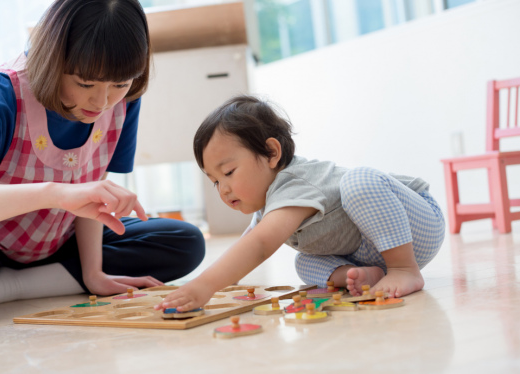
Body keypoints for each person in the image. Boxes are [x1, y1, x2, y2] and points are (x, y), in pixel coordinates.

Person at [0, 0, 205, 327]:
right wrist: (56, 194)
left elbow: (96, 187)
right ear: (54, 60)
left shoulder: (126, 98)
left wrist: (94, 272)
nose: (102, 102)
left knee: (184, 242)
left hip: (56, 239)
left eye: (119, 84)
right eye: (86, 84)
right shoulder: (4, 92)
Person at [155, 95, 445, 313]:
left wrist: (205, 286)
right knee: (305, 262)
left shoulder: (295, 183)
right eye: (215, 181)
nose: (224, 188)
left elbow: (259, 246)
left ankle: (405, 269)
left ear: (271, 153)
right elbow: (245, 248)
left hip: (415, 224)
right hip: (371, 251)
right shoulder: (266, 204)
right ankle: (367, 276)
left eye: (229, 172)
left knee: (360, 181)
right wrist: (213, 283)